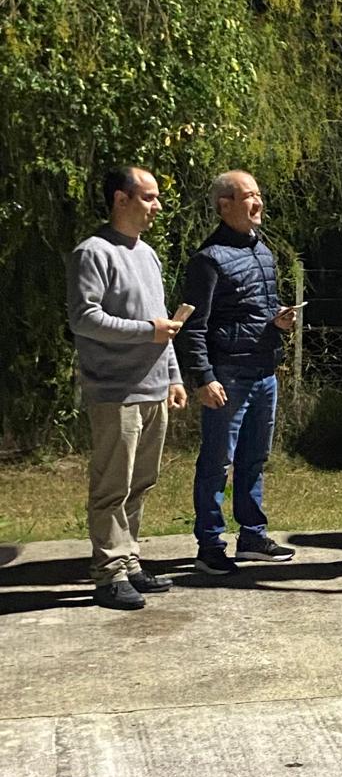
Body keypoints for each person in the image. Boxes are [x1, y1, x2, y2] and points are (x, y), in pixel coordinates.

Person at [67, 166, 188, 611]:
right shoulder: (93, 252)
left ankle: (129, 560)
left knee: (141, 483)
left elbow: (163, 324)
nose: (157, 206)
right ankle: (109, 574)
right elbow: (84, 319)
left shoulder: (148, 254)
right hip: (115, 391)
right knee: (112, 486)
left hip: (154, 389)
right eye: (149, 197)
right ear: (121, 199)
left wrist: (173, 376)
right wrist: (146, 331)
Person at [177, 171, 296, 575]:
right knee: (216, 462)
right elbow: (193, 325)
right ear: (224, 205)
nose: (258, 203)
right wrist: (203, 376)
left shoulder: (263, 251)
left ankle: (252, 536)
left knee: (254, 459)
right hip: (228, 374)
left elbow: (256, 307)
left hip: (264, 370)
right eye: (249, 196)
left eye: (259, 195)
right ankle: (210, 545)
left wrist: (279, 319)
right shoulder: (208, 260)